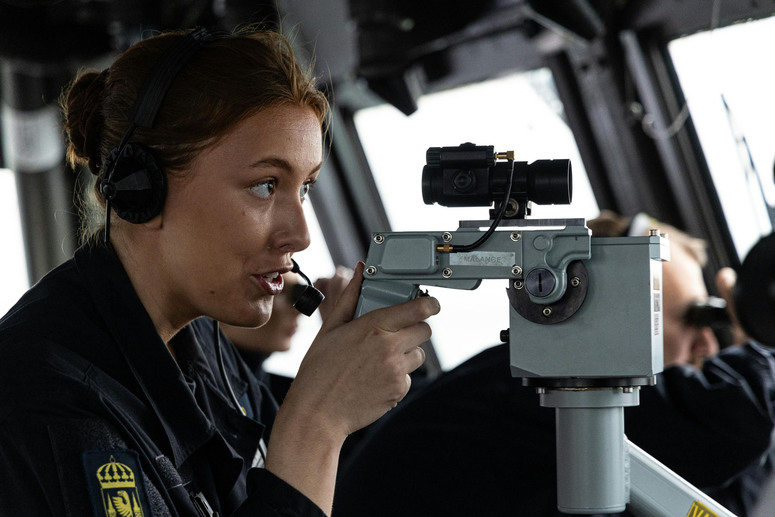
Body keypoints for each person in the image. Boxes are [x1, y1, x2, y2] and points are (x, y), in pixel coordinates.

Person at [0, 26, 439, 517]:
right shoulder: (44, 397)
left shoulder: (200, 340)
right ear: (141, 189)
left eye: (305, 188)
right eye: (265, 185)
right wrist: (316, 424)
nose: (301, 236)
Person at [334, 211, 775, 516]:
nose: (707, 343)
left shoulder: (518, 390)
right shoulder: (548, 379)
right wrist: (756, 333)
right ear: (613, 311)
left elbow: (720, 489)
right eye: (692, 318)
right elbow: (736, 421)